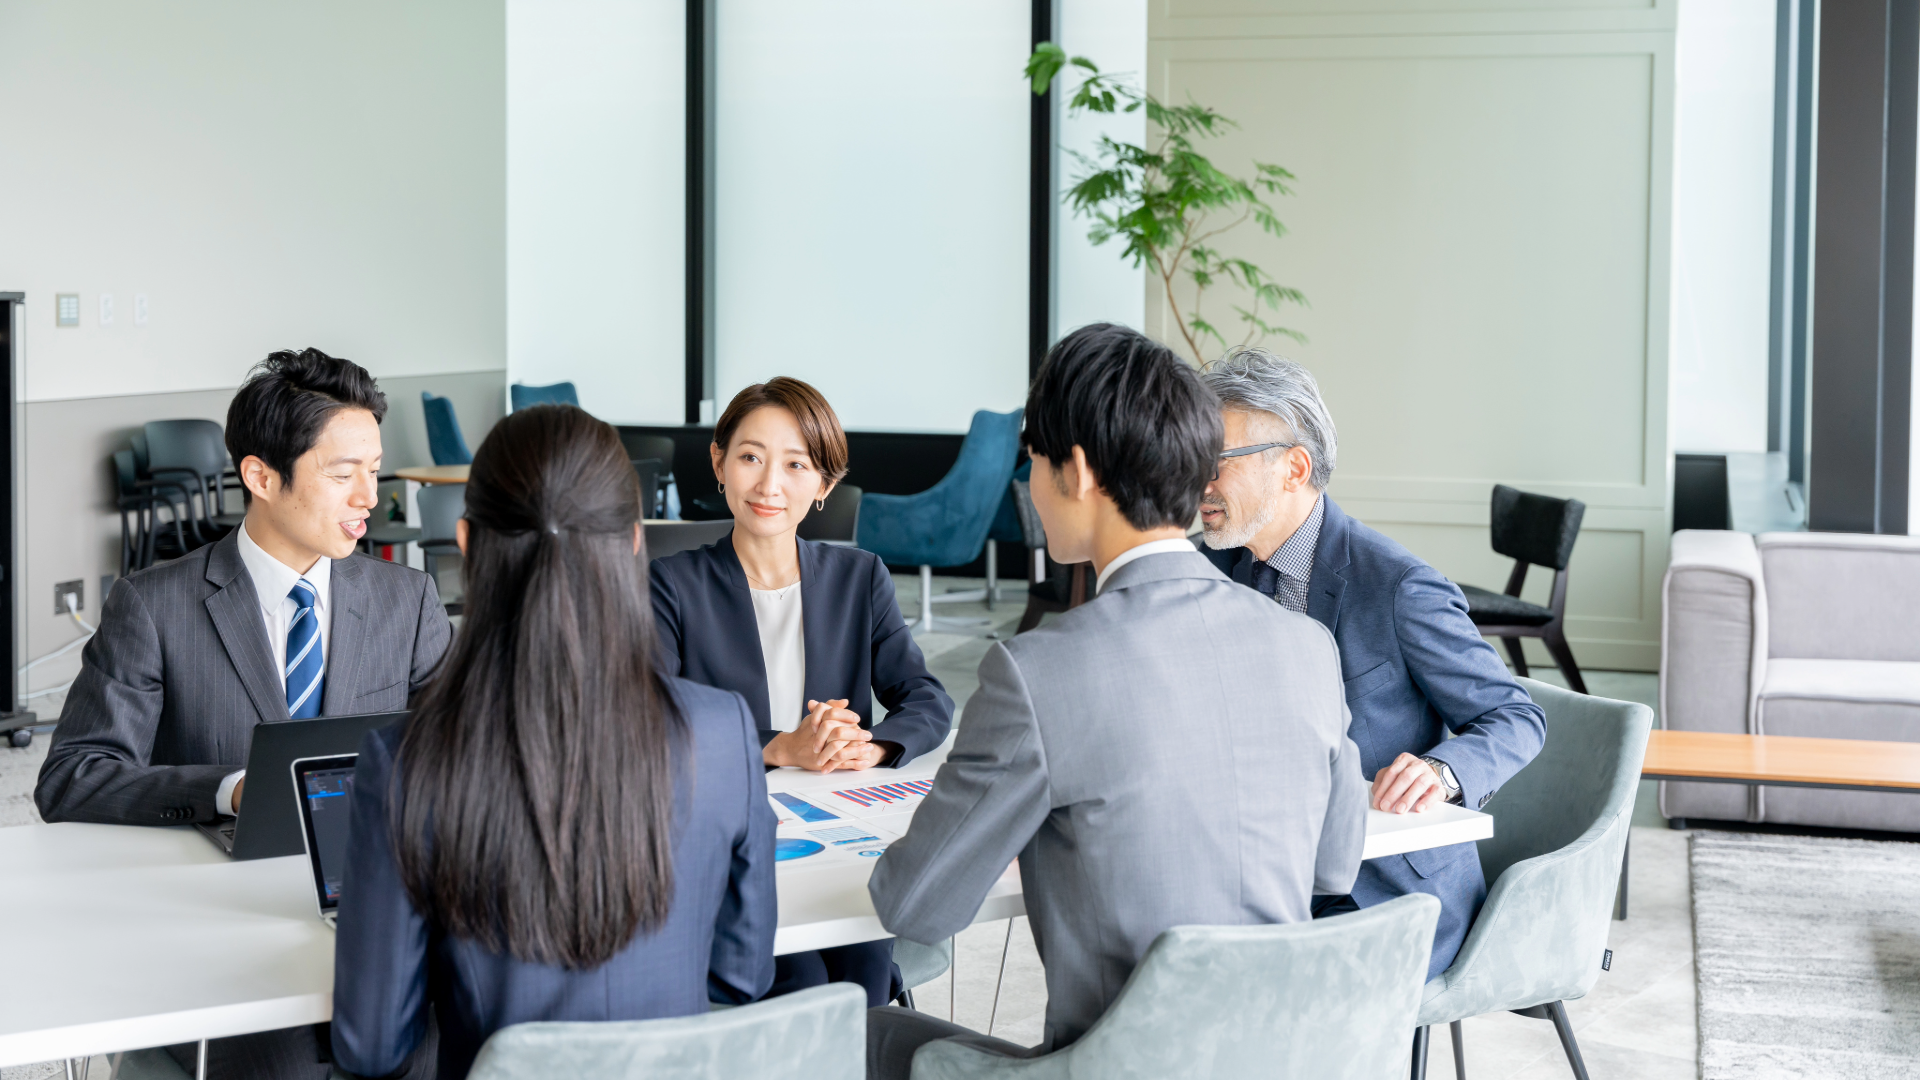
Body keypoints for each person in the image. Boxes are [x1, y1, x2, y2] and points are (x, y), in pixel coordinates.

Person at [864, 323, 1368, 1076]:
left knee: (865, 1030)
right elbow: (1334, 869)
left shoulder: (1038, 671)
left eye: (1031, 461)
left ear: (1078, 471)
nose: (1030, 487)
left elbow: (916, 908)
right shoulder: (1307, 646)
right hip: (1281, 1061)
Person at [35, 348, 453, 1079]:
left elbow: (461, 754)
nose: (370, 496)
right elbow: (72, 777)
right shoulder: (154, 605)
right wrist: (228, 791)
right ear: (261, 477)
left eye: (373, 469)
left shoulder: (406, 601)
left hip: (375, 918)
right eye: (341, 472)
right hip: (223, 938)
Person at [330, 405, 776, 1080]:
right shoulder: (724, 731)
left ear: (466, 542)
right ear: (633, 541)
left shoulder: (404, 761)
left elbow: (372, 1049)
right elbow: (742, 978)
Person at [1195, 347, 1546, 979]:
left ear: (1293, 468)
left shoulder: (1397, 586)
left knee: (1265, 988)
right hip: (1254, 871)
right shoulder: (1207, 571)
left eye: (1216, 460)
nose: (1199, 482)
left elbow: (1515, 716)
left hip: (1381, 890)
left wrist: (1442, 773)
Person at [650, 377, 954, 1009]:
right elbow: (653, 724)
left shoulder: (858, 576)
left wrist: (874, 747)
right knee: (799, 985)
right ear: (719, 463)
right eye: (751, 457)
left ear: (823, 485)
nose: (769, 485)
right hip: (727, 838)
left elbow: (925, 697)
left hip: (838, 832)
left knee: (860, 977)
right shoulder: (672, 586)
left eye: (796, 465)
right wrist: (777, 748)